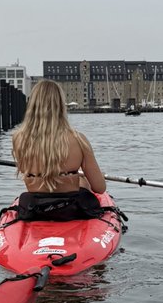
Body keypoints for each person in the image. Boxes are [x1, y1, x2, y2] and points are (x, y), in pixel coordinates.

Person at [11, 80, 108, 221]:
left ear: (32, 105)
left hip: (36, 210)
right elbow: (100, 187)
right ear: (61, 106)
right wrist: (80, 178)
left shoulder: (19, 139)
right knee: (83, 182)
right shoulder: (79, 139)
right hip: (70, 209)